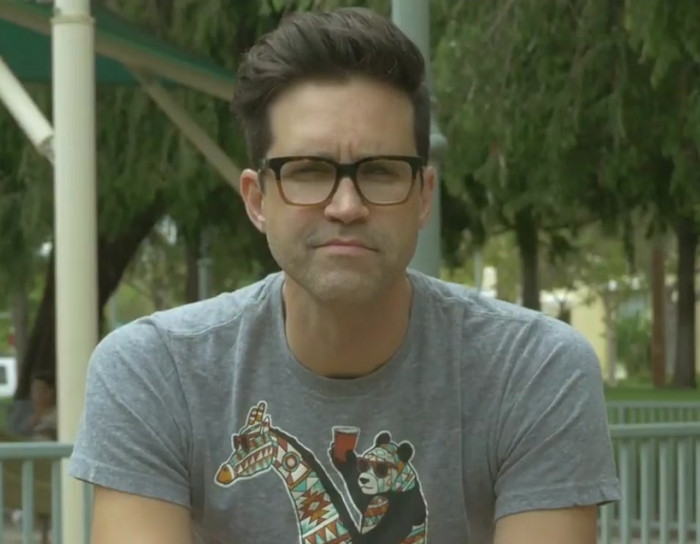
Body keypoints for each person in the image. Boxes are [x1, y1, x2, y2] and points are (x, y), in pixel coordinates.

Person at [69, 7, 620, 544]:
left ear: (423, 197)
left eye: (380, 171)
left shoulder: (533, 371)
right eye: (309, 171)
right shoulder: (155, 372)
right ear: (257, 200)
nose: (347, 205)